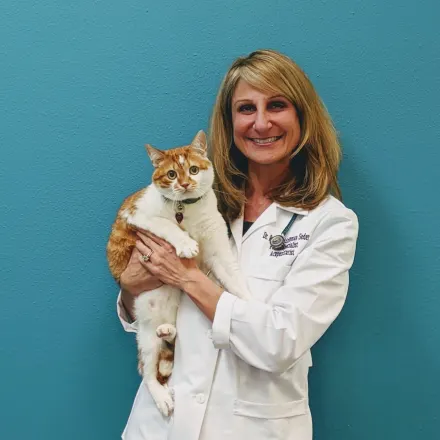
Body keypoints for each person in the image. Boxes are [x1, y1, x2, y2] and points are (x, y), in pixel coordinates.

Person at [117, 49, 359, 440]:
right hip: (160, 424)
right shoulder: (196, 200)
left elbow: (280, 342)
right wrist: (131, 288)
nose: (261, 123)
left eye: (276, 105)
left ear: (302, 116)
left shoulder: (330, 222)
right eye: (246, 109)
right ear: (229, 123)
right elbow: (145, 315)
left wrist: (188, 278)